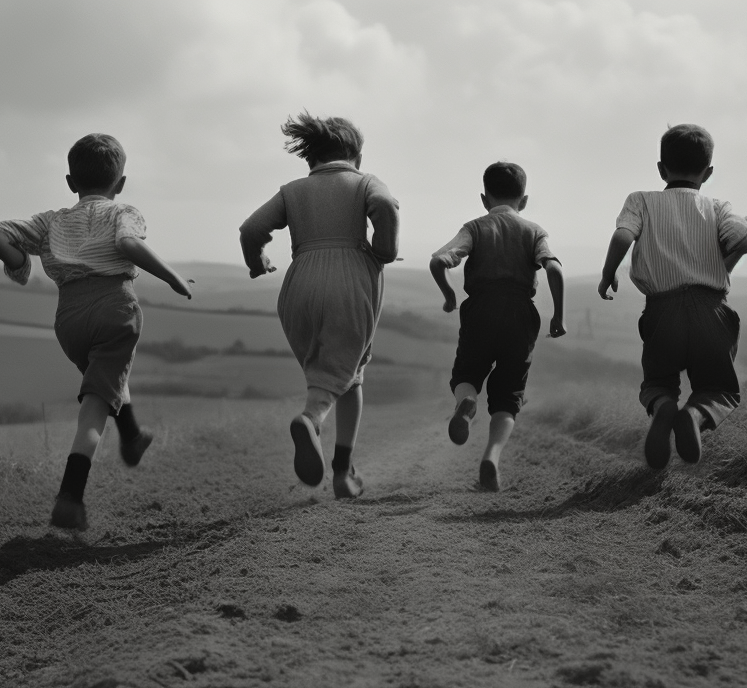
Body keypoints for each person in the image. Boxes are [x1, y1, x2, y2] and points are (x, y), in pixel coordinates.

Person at [0, 133, 194, 530]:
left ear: (70, 183)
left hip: (70, 319)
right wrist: (173, 278)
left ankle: (132, 437)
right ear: (121, 183)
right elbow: (129, 245)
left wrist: (19, 264)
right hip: (115, 310)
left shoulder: (52, 221)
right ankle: (71, 495)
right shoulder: (123, 213)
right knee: (94, 411)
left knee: (104, 377)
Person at [238, 112, 399, 499]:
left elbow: (250, 230)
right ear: (355, 155)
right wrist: (384, 251)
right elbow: (386, 206)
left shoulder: (292, 190)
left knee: (348, 371)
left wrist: (257, 262)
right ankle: (311, 419)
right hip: (350, 282)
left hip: (299, 285)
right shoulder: (364, 182)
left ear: (311, 159)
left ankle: (344, 472)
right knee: (340, 372)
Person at [597, 124, 747, 468]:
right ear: (708, 173)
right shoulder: (718, 207)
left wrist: (609, 274)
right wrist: (723, 265)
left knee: (658, 381)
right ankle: (695, 416)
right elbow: (744, 240)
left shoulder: (641, 200)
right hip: (711, 309)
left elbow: (623, 236)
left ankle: (666, 407)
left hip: (662, 310)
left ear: (660, 169)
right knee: (718, 388)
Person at [430, 161, 565, 492]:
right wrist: (558, 317)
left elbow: (438, 260)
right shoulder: (534, 231)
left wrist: (449, 296)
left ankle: (469, 401)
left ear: (483, 198)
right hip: (521, 315)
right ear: (525, 199)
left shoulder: (475, 228)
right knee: (508, 395)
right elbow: (555, 270)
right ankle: (491, 457)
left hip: (480, 310)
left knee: (466, 375)